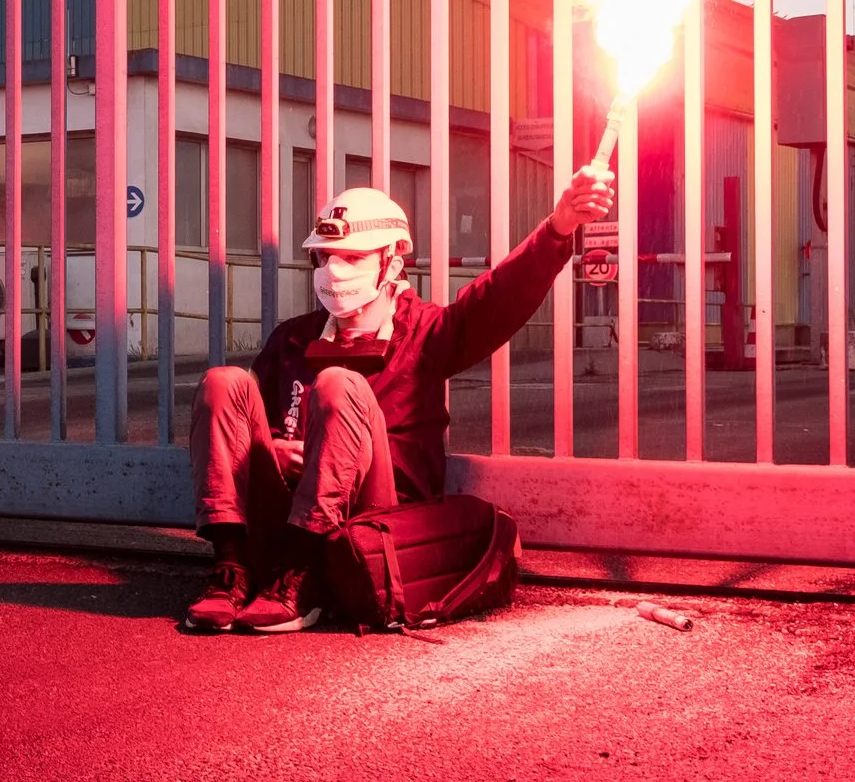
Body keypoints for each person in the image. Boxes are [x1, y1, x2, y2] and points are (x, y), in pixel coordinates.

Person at [184, 167, 614, 634]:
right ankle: (231, 568)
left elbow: (495, 301)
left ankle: (307, 577)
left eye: (351, 257)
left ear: (391, 262)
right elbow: (243, 438)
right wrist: (276, 444)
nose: (333, 270)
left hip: (370, 523)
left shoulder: (427, 332)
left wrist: (559, 226)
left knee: (338, 384)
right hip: (282, 522)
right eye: (325, 257)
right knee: (221, 381)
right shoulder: (292, 339)